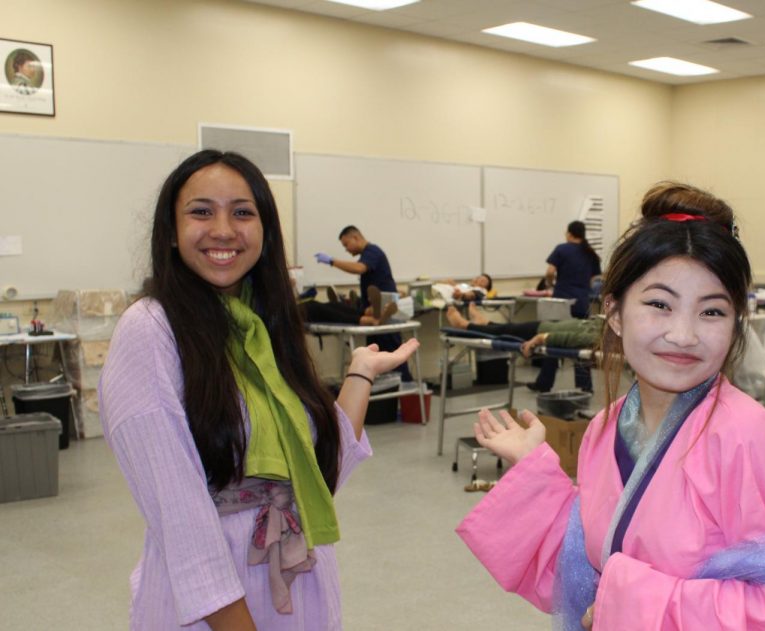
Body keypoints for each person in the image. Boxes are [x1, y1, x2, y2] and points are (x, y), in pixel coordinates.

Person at [457, 181, 765, 630]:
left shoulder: (748, 438)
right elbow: (596, 556)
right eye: (660, 304)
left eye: (712, 311)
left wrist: (630, 604)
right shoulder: (609, 424)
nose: (684, 335)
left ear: (737, 321)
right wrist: (536, 471)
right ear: (615, 312)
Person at [99, 150, 418, 630]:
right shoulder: (150, 330)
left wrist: (360, 373)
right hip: (218, 607)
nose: (224, 229)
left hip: (296, 582)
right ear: (170, 230)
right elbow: (179, 518)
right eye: (201, 211)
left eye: (243, 212)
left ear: (265, 232)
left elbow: (317, 473)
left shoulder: (263, 330)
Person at [315, 227, 411, 380]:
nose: (346, 249)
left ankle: (408, 398)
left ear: (355, 237)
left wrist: (332, 261)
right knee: (376, 358)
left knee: (395, 359)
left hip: (386, 315)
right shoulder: (368, 254)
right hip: (375, 313)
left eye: (346, 244)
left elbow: (359, 268)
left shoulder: (373, 252)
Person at [535, 220, 602, 392]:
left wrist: (551, 285)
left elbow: (550, 272)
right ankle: (584, 386)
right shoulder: (590, 253)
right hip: (581, 302)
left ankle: (544, 383)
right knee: (580, 343)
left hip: (562, 301)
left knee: (552, 338)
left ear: (570, 233)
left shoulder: (562, 249)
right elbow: (594, 279)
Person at [445, 303, 601, 357]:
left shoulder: (613, 336)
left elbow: (577, 339)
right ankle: (483, 322)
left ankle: (465, 325)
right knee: (509, 329)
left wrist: (542, 339)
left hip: (547, 331)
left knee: (507, 332)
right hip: (558, 326)